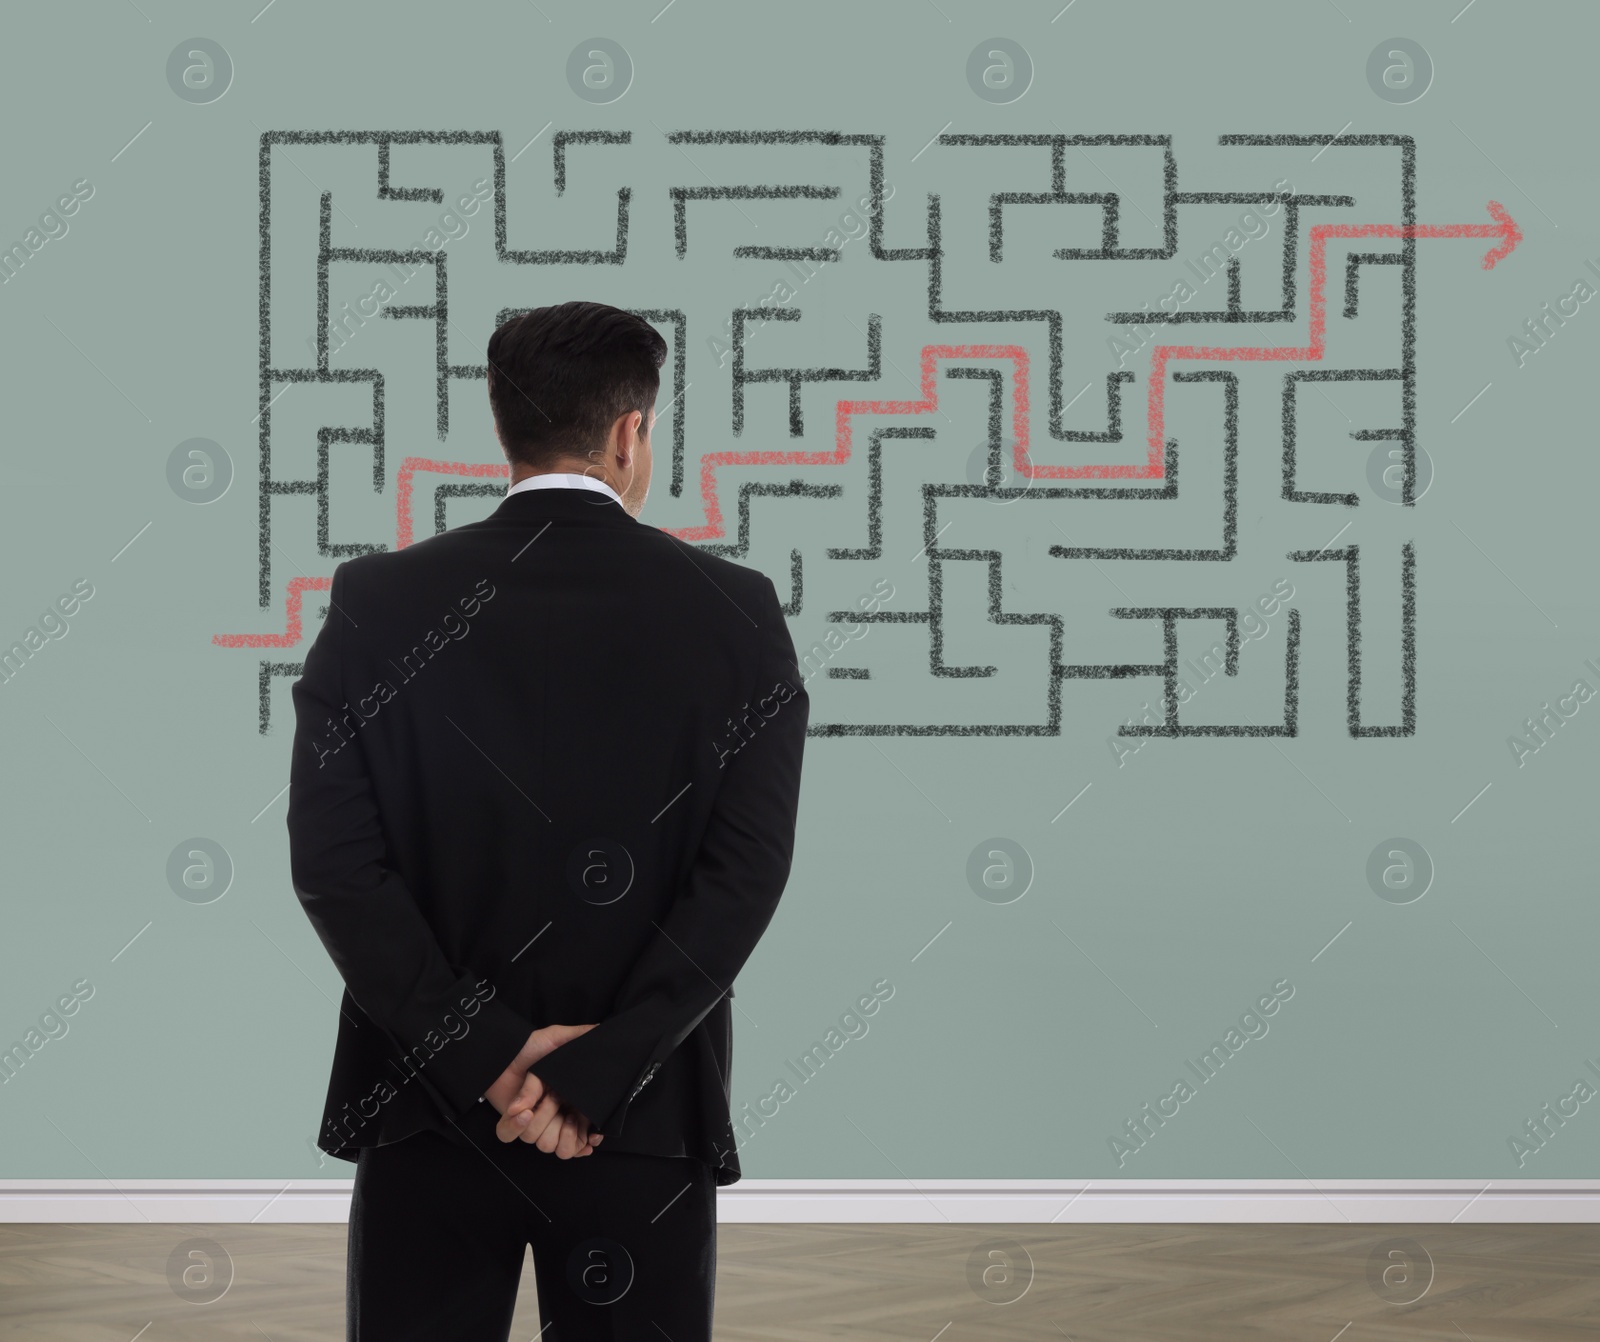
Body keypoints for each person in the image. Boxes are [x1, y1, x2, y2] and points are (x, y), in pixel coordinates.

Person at [286, 300, 808, 1340]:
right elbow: (739, 879)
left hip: (431, 1108)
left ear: (502, 426)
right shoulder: (737, 611)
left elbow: (338, 869)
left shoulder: (375, 601)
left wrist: (486, 1054)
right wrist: (596, 1067)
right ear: (630, 432)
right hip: (642, 1116)